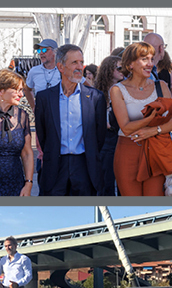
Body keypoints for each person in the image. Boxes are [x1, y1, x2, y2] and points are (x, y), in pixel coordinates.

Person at [34, 44, 106, 196]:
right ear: (60, 67)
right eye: (74, 63)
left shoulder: (95, 97)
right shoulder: (44, 98)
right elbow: (42, 133)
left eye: (81, 62)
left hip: (84, 166)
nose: (80, 67)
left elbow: (99, 136)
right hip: (55, 166)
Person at [110, 42, 172, 196]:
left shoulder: (161, 86)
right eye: (144, 59)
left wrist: (154, 130)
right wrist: (152, 118)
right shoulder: (117, 90)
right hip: (128, 151)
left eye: (151, 59)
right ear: (130, 64)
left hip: (156, 150)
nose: (150, 64)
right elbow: (126, 127)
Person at [94, 56, 125, 196]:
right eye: (119, 68)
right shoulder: (97, 92)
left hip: (121, 136)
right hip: (104, 139)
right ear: (108, 70)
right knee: (106, 179)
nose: (122, 71)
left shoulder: (124, 89)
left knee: (123, 180)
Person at [22, 38, 60, 114]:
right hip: (42, 113)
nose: (41, 53)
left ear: (55, 51)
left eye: (44, 50)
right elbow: (27, 89)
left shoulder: (63, 70)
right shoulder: (34, 71)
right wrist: (33, 106)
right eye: (39, 51)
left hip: (60, 112)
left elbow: (83, 84)